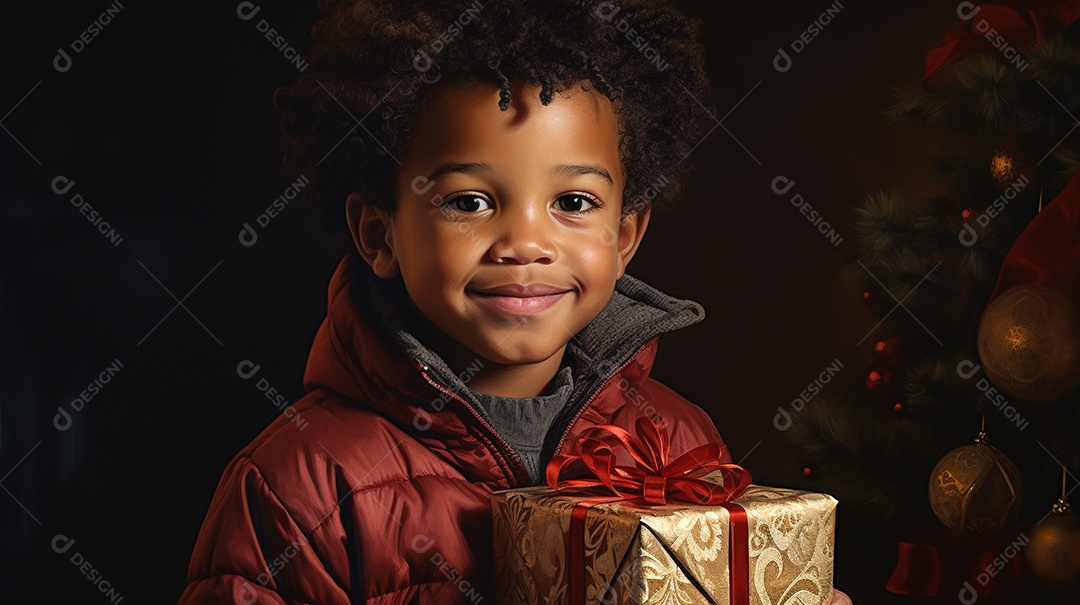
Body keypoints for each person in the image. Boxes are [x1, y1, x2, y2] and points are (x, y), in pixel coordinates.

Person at [179, 1, 852, 603]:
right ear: (379, 233)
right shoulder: (298, 486)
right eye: (469, 201)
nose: (526, 242)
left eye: (573, 203)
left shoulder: (677, 440)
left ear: (624, 237)